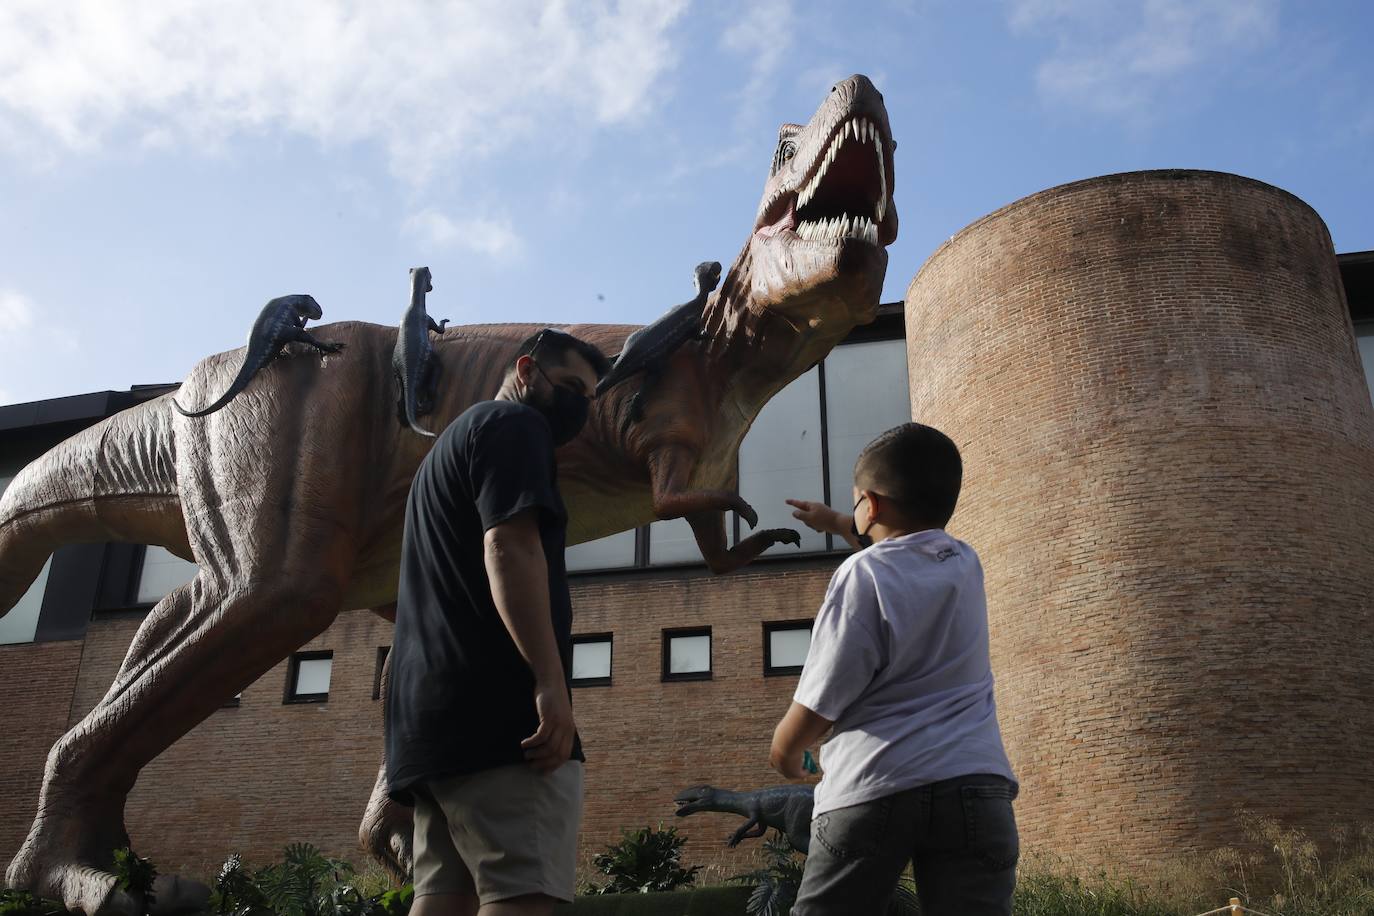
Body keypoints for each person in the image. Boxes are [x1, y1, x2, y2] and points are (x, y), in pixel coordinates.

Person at [386, 328, 611, 916]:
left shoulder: (445, 452)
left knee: (444, 899)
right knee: (526, 895)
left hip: (431, 727)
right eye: (570, 387)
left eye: (589, 398)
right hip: (502, 718)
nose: (579, 408)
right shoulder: (515, 427)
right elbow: (510, 548)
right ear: (527, 370)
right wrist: (548, 682)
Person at [773, 423, 1019, 916]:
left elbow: (824, 695)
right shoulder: (964, 561)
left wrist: (785, 750)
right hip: (974, 784)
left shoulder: (859, 575)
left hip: (875, 783)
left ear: (872, 503)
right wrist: (840, 520)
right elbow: (908, 551)